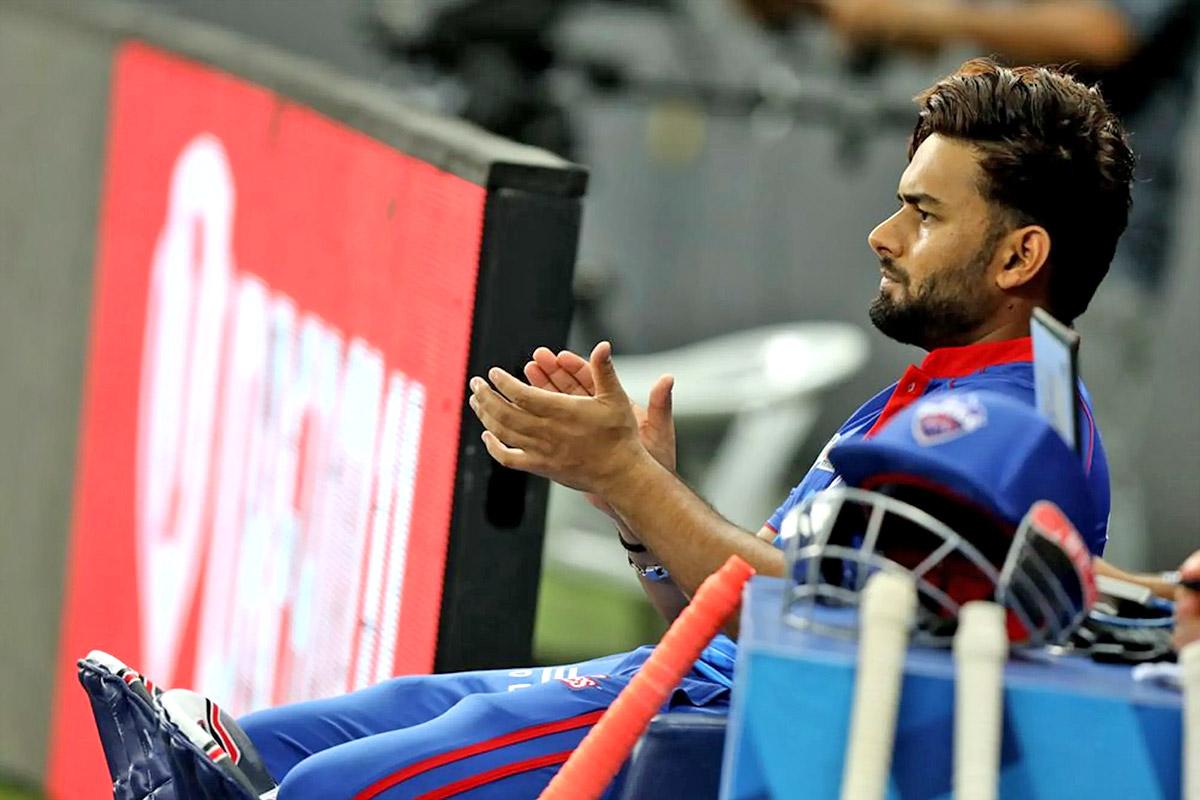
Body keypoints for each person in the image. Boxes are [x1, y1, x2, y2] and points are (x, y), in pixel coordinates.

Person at [85, 59, 1131, 798]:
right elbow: (733, 605)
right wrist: (640, 506)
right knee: (256, 740)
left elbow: (821, 639)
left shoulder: (998, 426)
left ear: (1016, 255)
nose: (883, 232)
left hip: (718, 733)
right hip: (693, 682)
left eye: (925, 213)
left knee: (327, 784)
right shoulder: (954, 393)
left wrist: (631, 476)